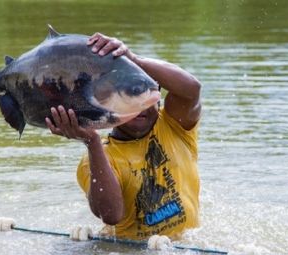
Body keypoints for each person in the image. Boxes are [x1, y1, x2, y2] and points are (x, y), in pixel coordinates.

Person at [45, 33, 202, 241]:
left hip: (188, 249)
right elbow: (111, 215)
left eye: (145, 97)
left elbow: (192, 89)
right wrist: (91, 142)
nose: (140, 107)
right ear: (107, 103)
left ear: (157, 97)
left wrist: (133, 59)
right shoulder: (98, 156)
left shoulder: (175, 126)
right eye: (129, 97)